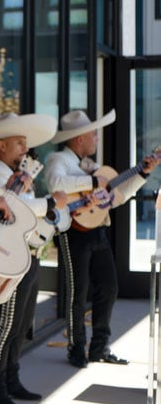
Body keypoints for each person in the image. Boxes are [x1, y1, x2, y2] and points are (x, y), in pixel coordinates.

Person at [0, 113, 68, 404]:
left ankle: (10, 380)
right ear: (1, 145)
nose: (25, 148)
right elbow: (17, 209)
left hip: (26, 256)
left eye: (24, 142)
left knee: (20, 325)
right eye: (19, 142)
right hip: (12, 260)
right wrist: (50, 204)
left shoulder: (12, 171)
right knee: (8, 324)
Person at [45, 109, 158, 368]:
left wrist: (142, 173)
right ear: (78, 138)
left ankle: (99, 347)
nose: (97, 139)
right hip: (73, 231)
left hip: (97, 231)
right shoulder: (58, 159)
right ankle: (76, 349)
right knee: (78, 291)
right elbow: (55, 183)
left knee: (109, 287)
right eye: (93, 134)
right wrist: (93, 180)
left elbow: (117, 195)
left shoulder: (91, 165)